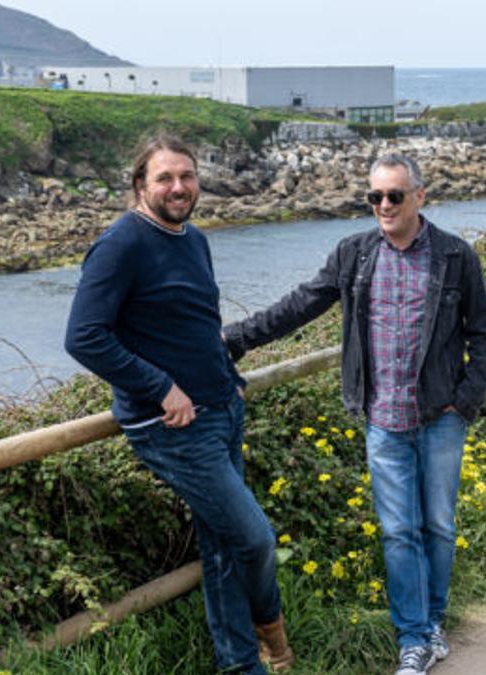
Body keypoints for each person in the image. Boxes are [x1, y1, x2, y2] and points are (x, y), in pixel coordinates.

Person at [223, 153, 486, 675]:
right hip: (382, 420)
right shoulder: (354, 254)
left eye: (395, 195)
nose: (384, 205)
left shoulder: (455, 256)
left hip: (441, 417)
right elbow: (302, 303)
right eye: (375, 197)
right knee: (398, 532)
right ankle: (413, 639)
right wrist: (237, 338)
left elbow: (484, 335)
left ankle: (433, 622)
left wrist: (465, 402)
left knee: (438, 526)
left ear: (420, 196)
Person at [64, 133, 293, 673]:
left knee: (223, 551)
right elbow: (84, 337)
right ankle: (273, 637)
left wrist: (227, 374)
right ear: (140, 185)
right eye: (164, 177)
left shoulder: (192, 238)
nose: (178, 186)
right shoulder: (121, 244)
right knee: (256, 540)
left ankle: (241, 666)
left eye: (186, 176)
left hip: (221, 412)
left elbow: (200, 323)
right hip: (173, 427)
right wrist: (161, 387)